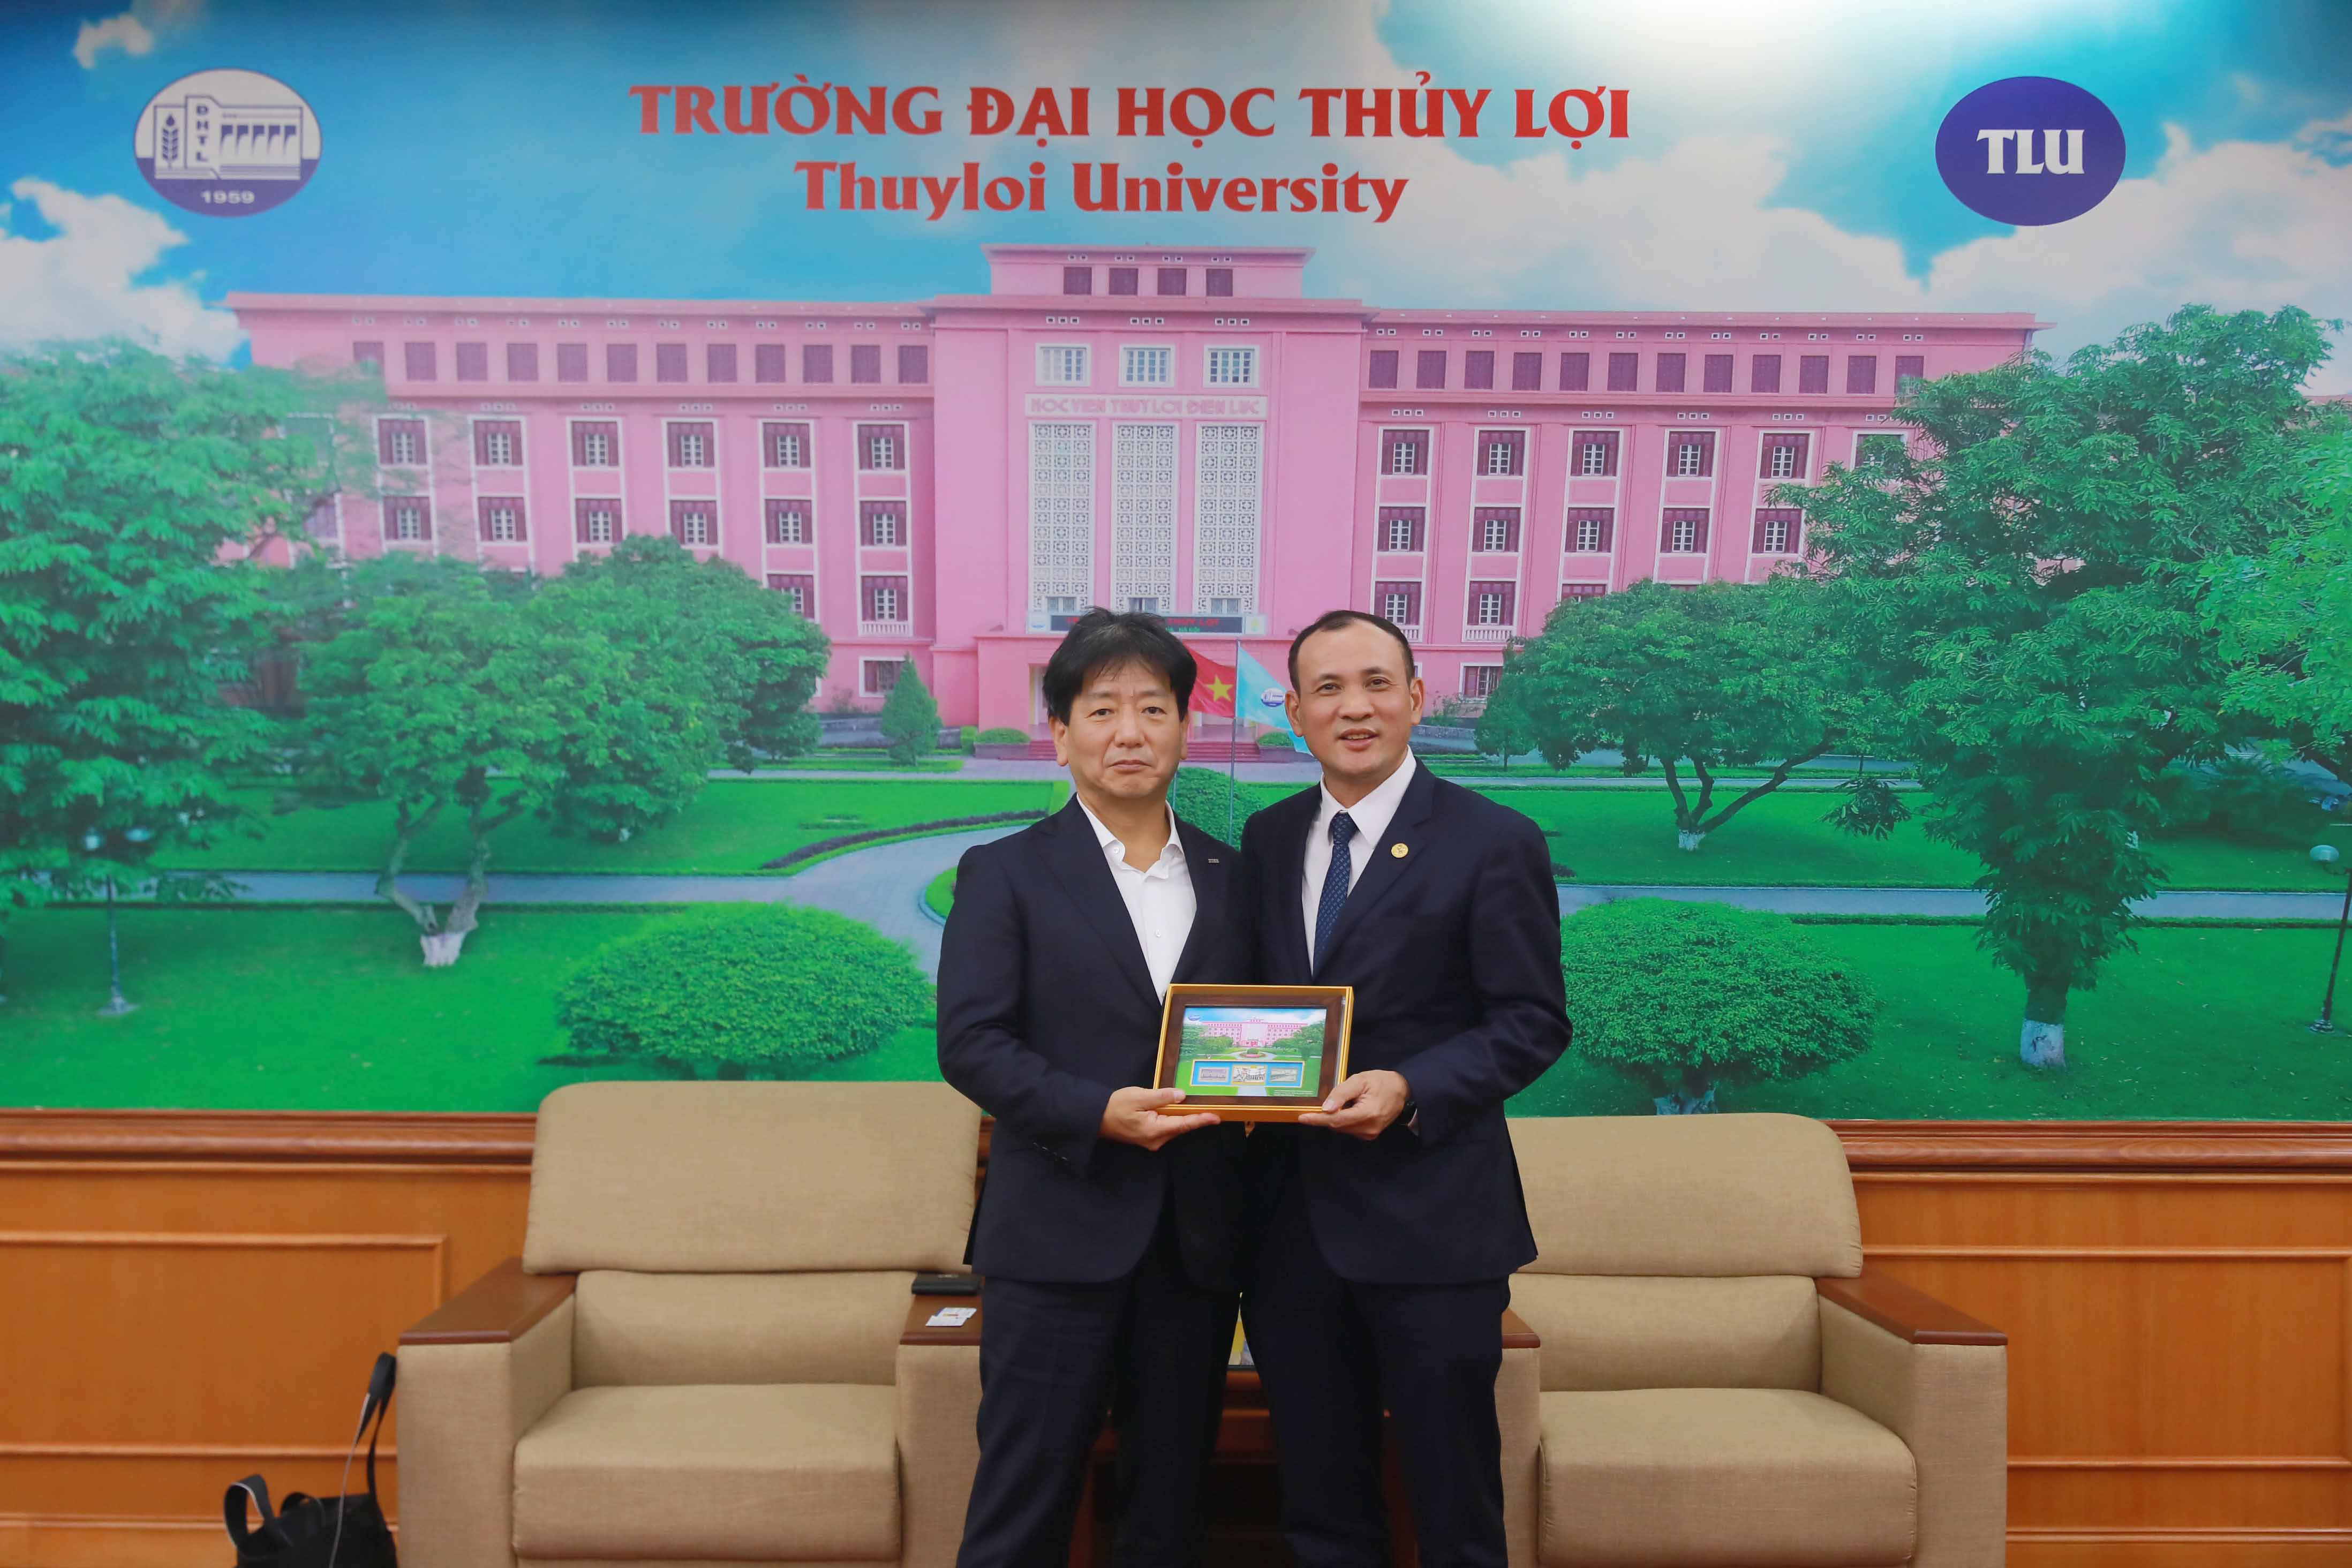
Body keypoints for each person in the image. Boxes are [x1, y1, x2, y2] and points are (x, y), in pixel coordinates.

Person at [1235, 609, 1571, 1568]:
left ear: (1417, 698)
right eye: (1328, 689)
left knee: (1451, 1493)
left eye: (1377, 684)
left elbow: (1532, 1020)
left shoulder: (1492, 839)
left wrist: (1410, 1086)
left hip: (1434, 1222)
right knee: (1321, 1498)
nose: (1355, 708)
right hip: (1290, 1226)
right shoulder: (1267, 838)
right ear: (1294, 711)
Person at [937, 608, 1249, 1568]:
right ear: (1061, 732)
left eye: (1153, 708)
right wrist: (1094, 1112)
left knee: (1169, 1511)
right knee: (1022, 1506)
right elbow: (972, 1044)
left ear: (1185, 727)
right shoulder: (1005, 873)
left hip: (1196, 1244)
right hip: (1055, 1236)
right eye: (1102, 709)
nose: (1130, 732)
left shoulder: (1239, 877)